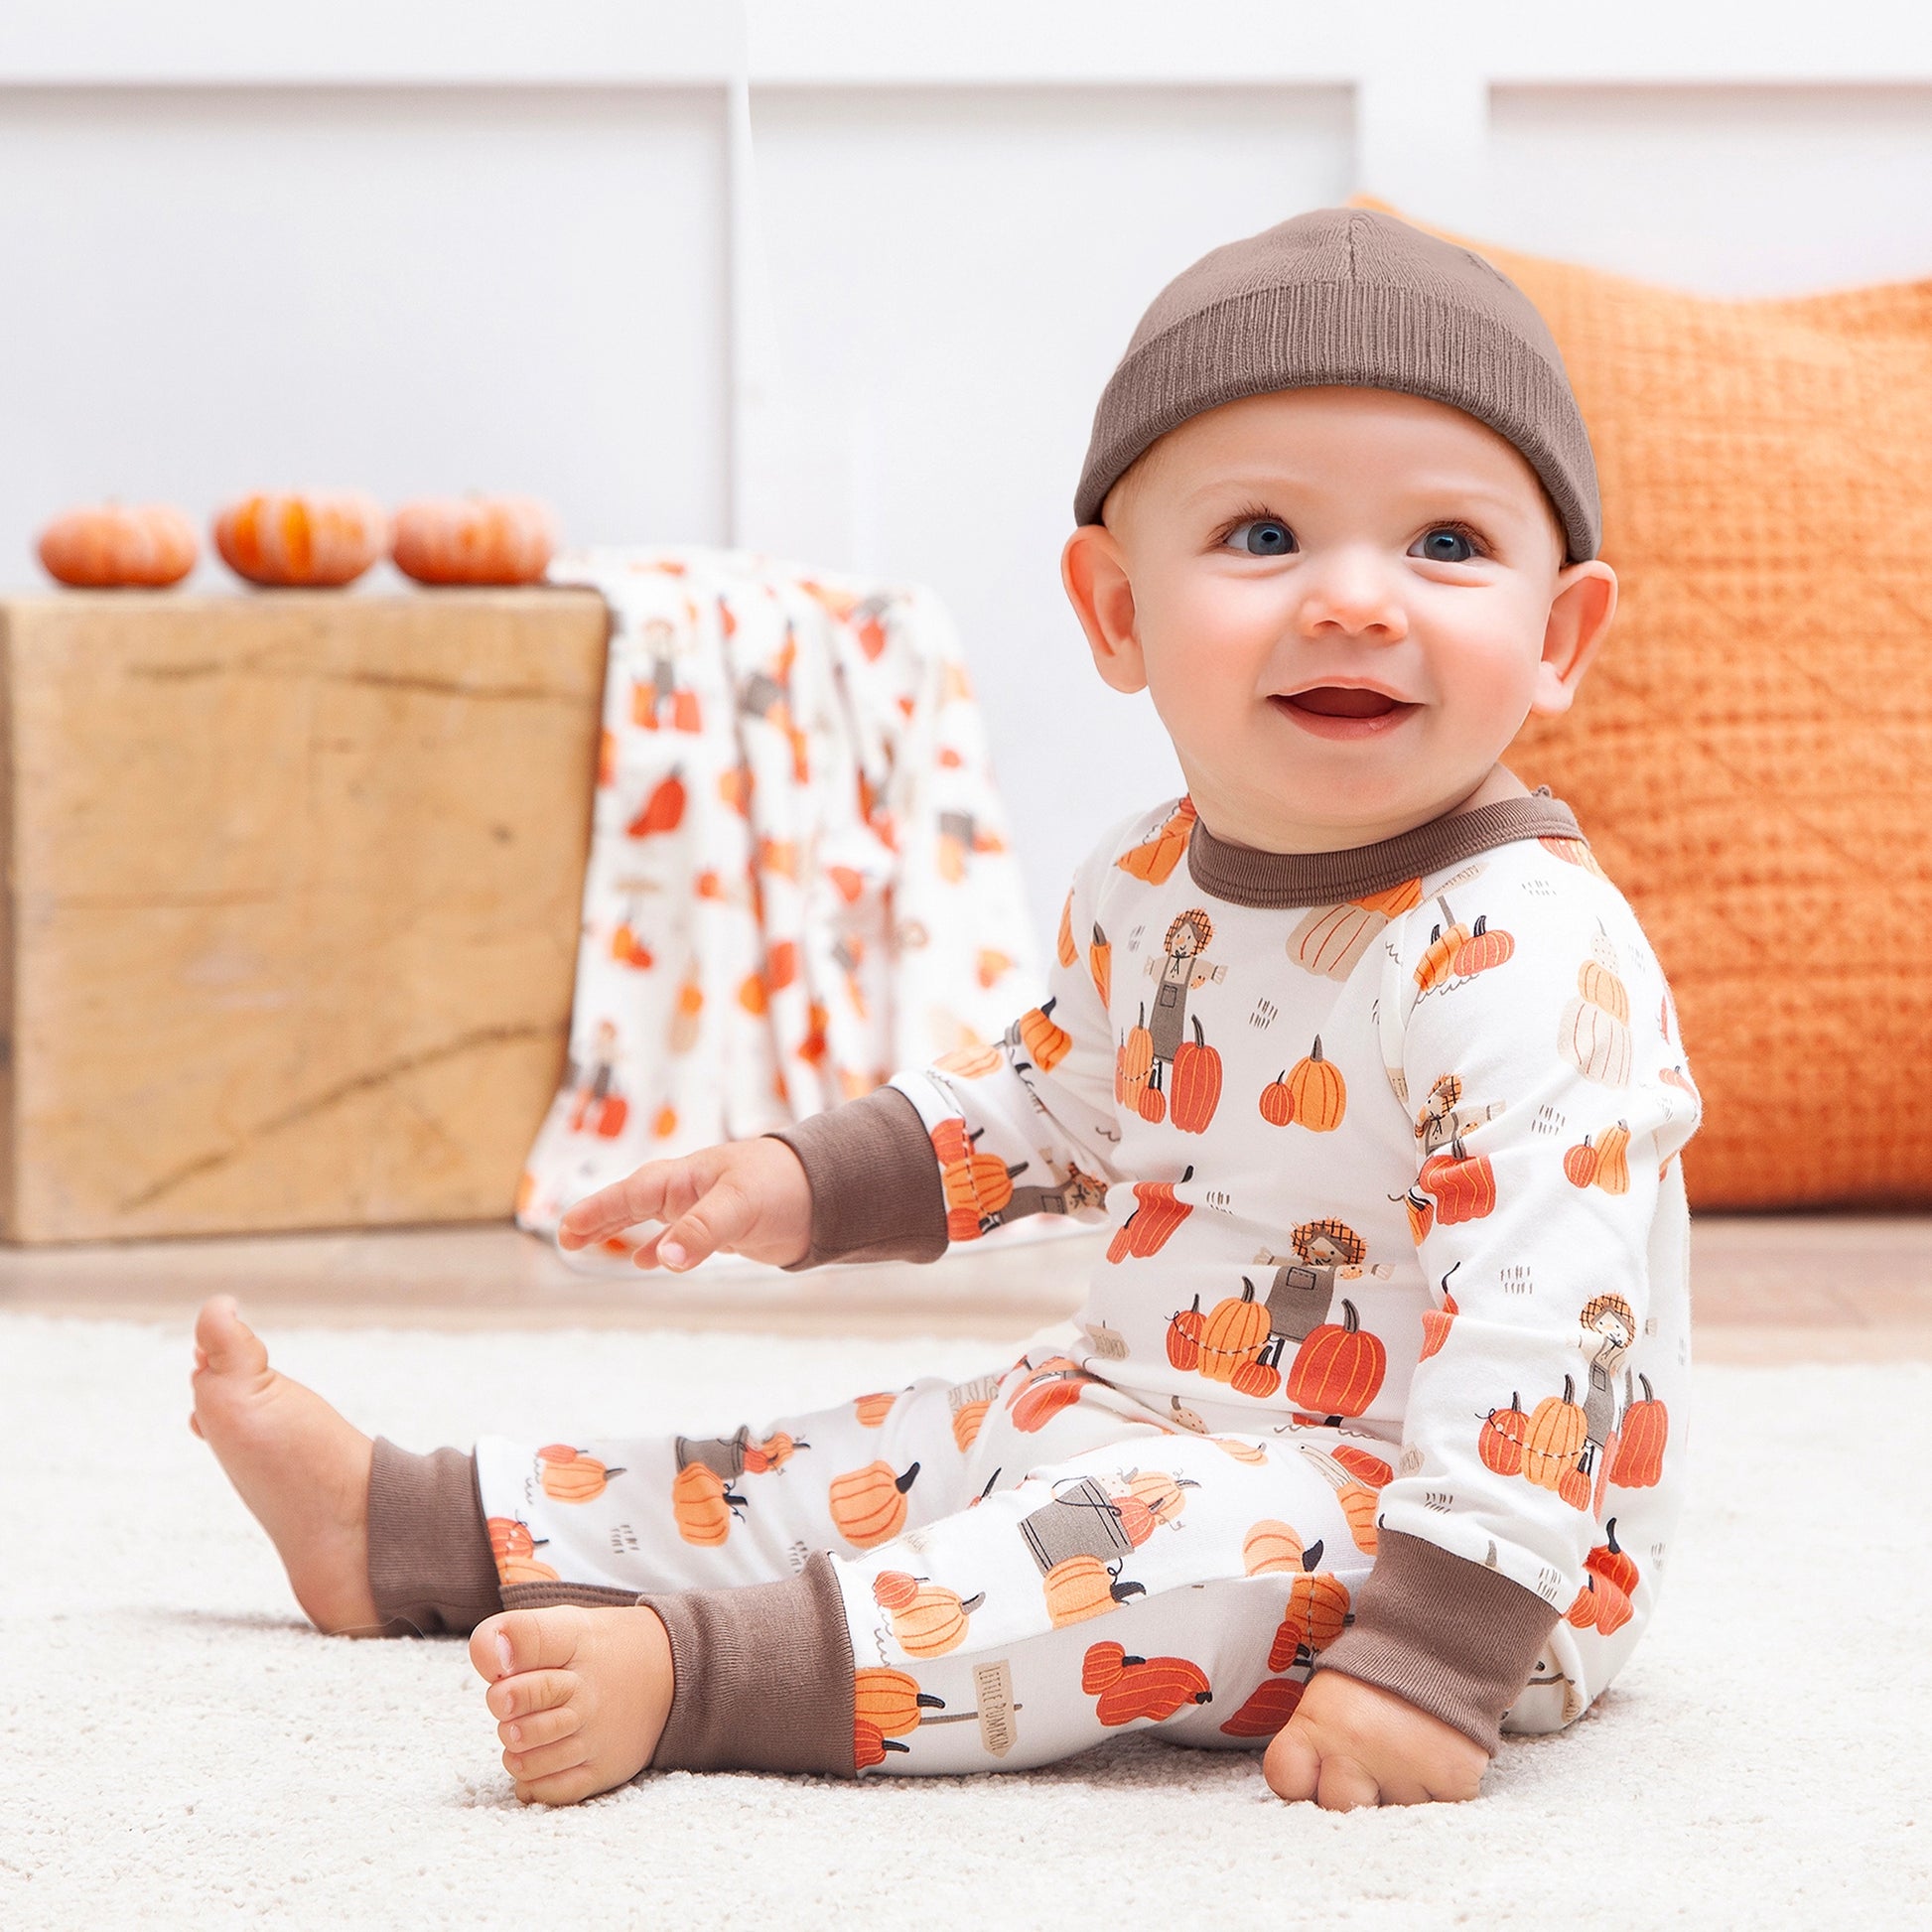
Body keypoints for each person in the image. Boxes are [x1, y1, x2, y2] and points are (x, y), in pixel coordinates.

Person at [189, 206, 1702, 1813]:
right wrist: (805, 1177)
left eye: (1444, 545)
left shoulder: (1531, 956)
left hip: (1440, 1548)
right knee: (871, 1453)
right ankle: (410, 1527)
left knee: (1121, 1549)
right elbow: (1046, 1100)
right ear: (1116, 612)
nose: (1352, 598)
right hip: (1133, 1405)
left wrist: (1430, 1665)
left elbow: (1554, 1341)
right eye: (1262, 535)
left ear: (1556, 638)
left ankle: (703, 1677)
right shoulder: (1148, 879)